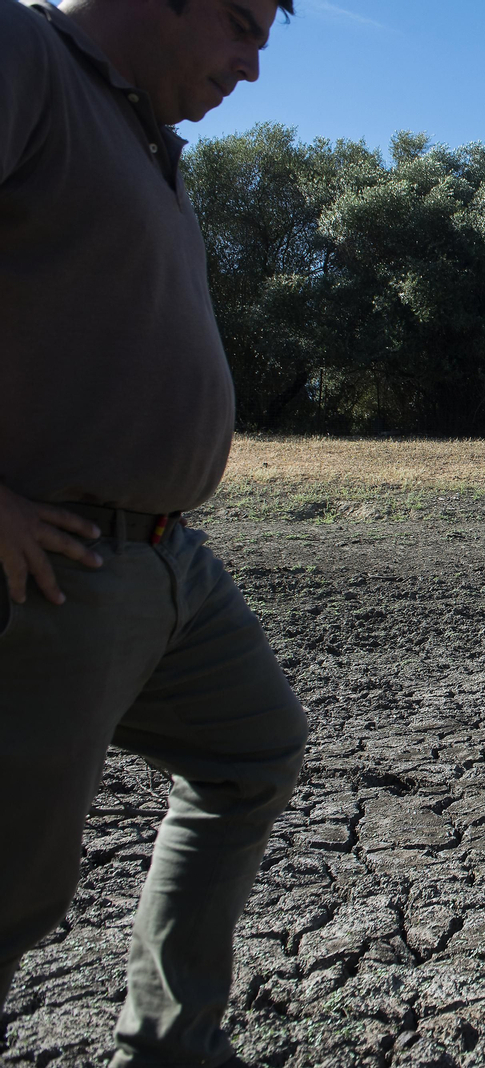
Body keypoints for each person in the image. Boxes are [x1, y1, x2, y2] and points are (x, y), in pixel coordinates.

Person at [0, 1, 306, 1065]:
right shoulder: (21, 53)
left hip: (170, 560)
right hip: (52, 567)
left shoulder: (140, 135)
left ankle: (175, 1049)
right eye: (239, 23)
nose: (253, 67)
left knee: (250, 751)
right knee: (9, 890)